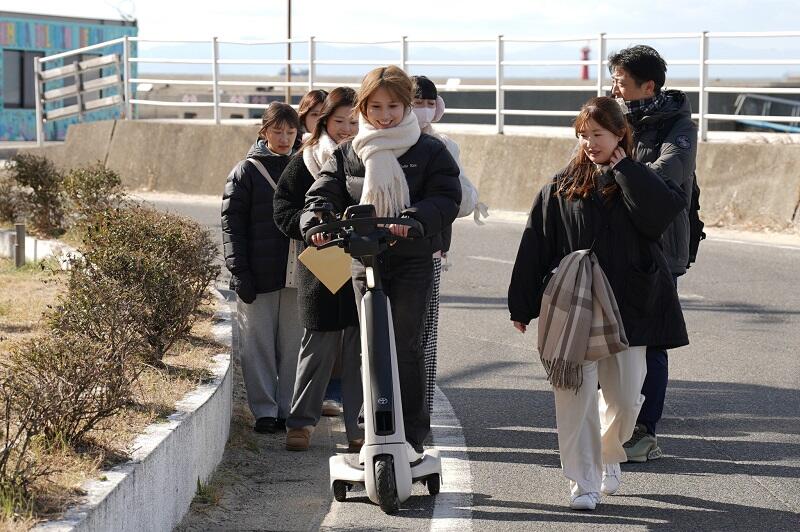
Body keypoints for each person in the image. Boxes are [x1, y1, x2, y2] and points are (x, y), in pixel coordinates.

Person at [508, 96, 689, 510]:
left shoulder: (640, 178)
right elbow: (535, 244)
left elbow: (659, 218)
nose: (590, 143)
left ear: (620, 135)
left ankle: (609, 452)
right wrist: (522, 304)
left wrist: (626, 171)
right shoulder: (560, 186)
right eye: (584, 135)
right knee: (574, 394)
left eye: (599, 134)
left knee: (625, 400)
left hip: (630, 306)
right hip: (575, 305)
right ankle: (583, 481)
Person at [300, 65, 461, 461]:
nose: (384, 115)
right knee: (369, 345)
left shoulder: (429, 150)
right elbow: (323, 191)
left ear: (406, 105)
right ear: (363, 107)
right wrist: (317, 219)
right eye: (375, 107)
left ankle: (412, 436)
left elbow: (446, 197)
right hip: (365, 259)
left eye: (393, 106)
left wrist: (416, 218)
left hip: (412, 261)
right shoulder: (350, 152)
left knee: (405, 345)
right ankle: (372, 426)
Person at [608, 45, 698, 462]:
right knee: (607, 336)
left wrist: (619, 169)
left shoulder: (679, 124)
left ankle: (644, 431)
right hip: (614, 241)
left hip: (660, 246)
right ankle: (611, 422)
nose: (615, 90)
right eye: (614, 81)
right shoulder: (611, 119)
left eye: (622, 83)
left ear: (648, 86)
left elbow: (670, 171)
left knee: (651, 340)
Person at [273, 87, 363, 452]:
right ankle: (301, 423)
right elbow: (283, 208)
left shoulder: (373, 158)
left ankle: (359, 428)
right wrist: (310, 228)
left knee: (361, 352)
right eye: (339, 121)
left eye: (354, 122)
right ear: (324, 121)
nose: (347, 129)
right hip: (321, 266)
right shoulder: (306, 159)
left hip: (363, 265)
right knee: (317, 347)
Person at [221, 102, 303, 434]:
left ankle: (288, 410)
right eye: (277, 131)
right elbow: (231, 225)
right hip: (257, 274)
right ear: (264, 131)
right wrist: (239, 271)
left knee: (295, 346)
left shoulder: (308, 167)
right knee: (257, 346)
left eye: (290, 131)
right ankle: (265, 412)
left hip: (299, 273)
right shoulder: (245, 171)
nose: (284, 138)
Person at [410, 75, 487, 412]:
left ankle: (420, 408)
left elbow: (461, 198)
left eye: (430, 104)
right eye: (418, 103)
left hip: (432, 246)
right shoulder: (384, 142)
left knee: (424, 332)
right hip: (390, 248)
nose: (424, 110)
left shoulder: (444, 146)